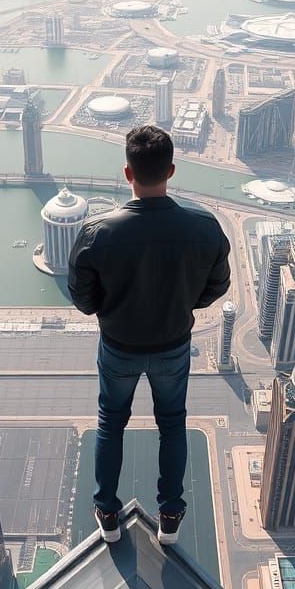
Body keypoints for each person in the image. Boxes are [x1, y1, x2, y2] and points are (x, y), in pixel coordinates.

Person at [68, 125, 231, 545]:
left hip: (118, 346)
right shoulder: (204, 227)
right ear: (171, 170)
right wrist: (180, 303)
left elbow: (83, 300)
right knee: (172, 424)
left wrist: (115, 305)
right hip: (173, 346)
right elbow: (216, 287)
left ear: (128, 173)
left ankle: (106, 511)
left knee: (111, 423)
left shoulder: (98, 231)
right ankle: (170, 516)